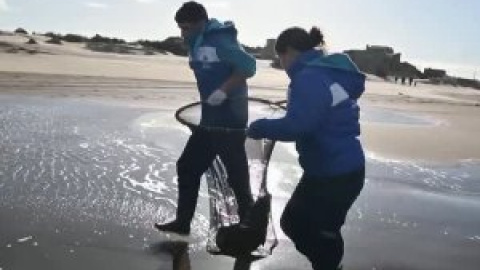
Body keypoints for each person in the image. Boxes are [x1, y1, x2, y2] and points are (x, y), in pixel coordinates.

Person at [247, 27, 366, 270]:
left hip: (336, 174)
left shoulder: (309, 77)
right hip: (332, 169)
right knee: (296, 222)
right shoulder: (326, 72)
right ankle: (328, 264)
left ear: (289, 52)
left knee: (317, 229)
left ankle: (328, 265)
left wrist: (260, 127)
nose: (282, 65)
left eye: (281, 58)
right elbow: (325, 108)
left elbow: (300, 126)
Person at [155, 1, 256, 235]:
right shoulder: (195, 42)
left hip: (231, 120)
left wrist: (223, 91)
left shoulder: (220, 39)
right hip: (210, 121)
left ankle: (250, 228)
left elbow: (248, 67)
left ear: (201, 23)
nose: (182, 32)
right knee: (188, 166)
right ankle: (182, 223)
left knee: (237, 175)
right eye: (180, 27)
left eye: (187, 27)